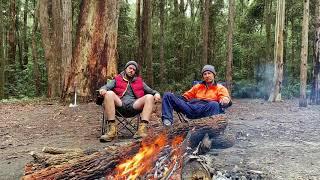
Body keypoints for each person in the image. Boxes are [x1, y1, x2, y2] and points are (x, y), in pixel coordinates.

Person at [99, 61, 161, 142]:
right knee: (109, 93)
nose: (131, 70)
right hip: (119, 105)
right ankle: (112, 131)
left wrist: (157, 94)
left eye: (134, 70)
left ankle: (142, 130)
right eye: (130, 68)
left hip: (134, 106)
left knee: (149, 96)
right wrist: (103, 90)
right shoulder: (117, 79)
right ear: (125, 69)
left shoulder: (139, 81)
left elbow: (152, 91)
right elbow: (106, 87)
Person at [161, 65, 232, 126]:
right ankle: (167, 122)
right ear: (203, 76)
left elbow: (225, 98)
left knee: (214, 104)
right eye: (205, 74)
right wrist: (175, 98)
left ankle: (212, 129)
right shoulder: (197, 86)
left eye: (209, 73)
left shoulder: (220, 88)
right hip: (191, 108)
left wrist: (225, 100)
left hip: (207, 109)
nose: (207, 76)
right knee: (168, 95)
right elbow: (185, 97)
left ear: (214, 74)